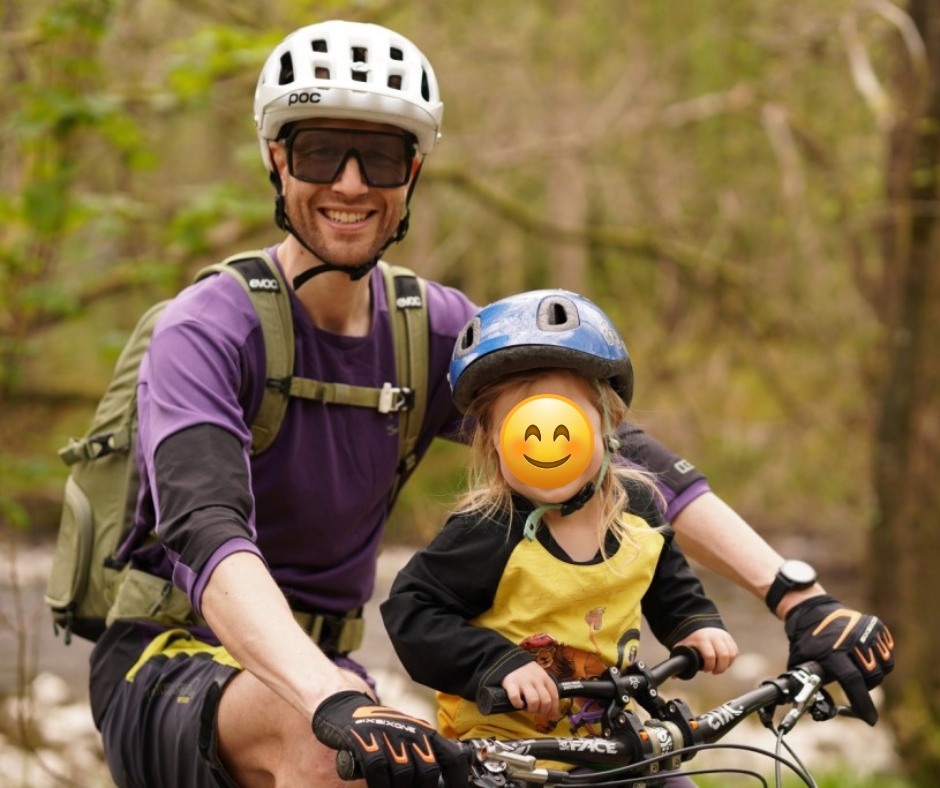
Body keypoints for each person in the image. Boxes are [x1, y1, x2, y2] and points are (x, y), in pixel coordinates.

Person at [84, 17, 893, 788]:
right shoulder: (208, 328)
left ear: (416, 172)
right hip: (173, 659)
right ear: (276, 159)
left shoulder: (428, 329)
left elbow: (616, 460)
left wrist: (795, 595)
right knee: (328, 752)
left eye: (382, 158)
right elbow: (208, 534)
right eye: (322, 152)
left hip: (333, 669)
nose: (352, 184)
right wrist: (329, 697)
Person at [381, 290, 739, 786]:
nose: (545, 439)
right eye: (521, 425)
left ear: (608, 420)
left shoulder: (637, 506)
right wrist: (498, 663)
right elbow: (412, 610)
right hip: (507, 755)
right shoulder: (490, 528)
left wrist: (692, 623)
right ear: (492, 442)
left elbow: (663, 573)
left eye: (563, 418)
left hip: (608, 739)